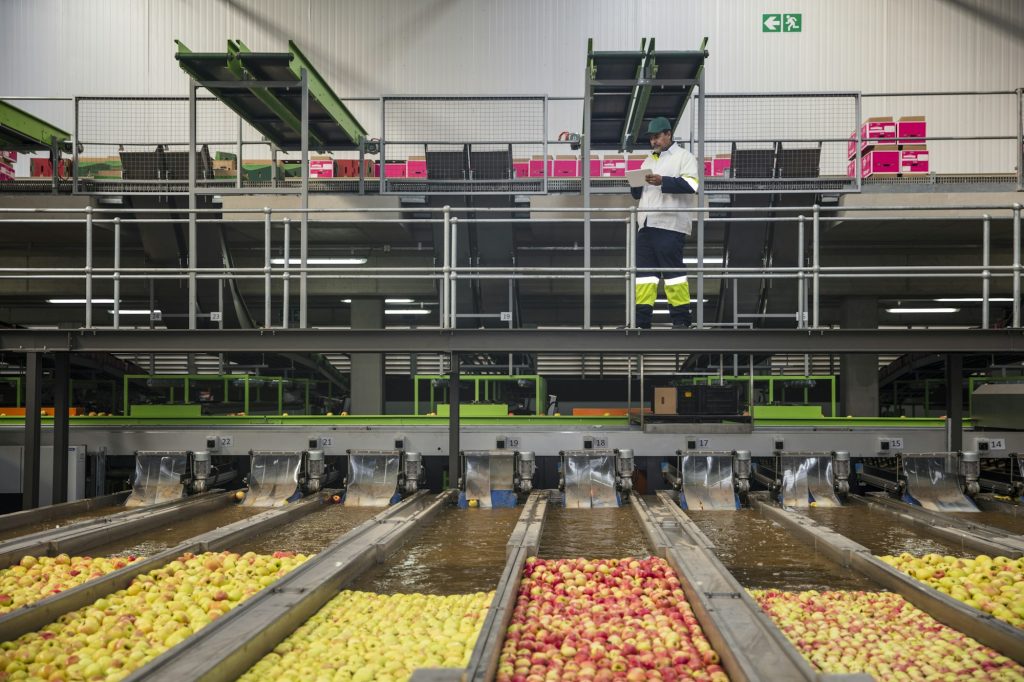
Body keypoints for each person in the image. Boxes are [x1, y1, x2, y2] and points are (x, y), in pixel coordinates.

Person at [630, 116, 700, 329]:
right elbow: (638, 194)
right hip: (646, 225)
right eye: (651, 138)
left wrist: (663, 181)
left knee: (673, 274)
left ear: (669, 134)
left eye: (657, 137)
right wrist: (635, 183)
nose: (654, 141)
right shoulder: (649, 160)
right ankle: (641, 321)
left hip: (670, 224)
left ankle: (681, 320)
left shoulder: (684, 157)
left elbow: (692, 185)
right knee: (644, 276)